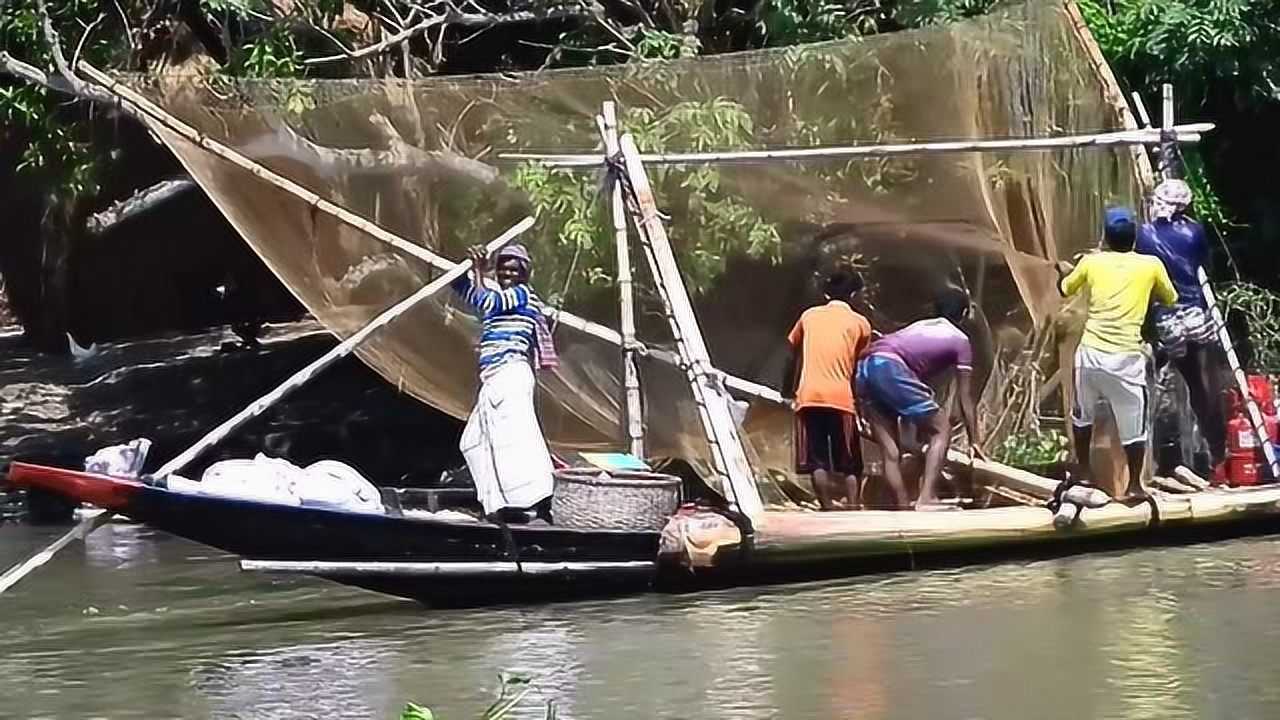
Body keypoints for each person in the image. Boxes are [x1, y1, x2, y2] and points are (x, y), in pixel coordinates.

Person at [1059, 206, 1177, 499]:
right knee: (1134, 427)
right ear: (1135, 237)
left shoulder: (1091, 262)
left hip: (1089, 355)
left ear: (1105, 237)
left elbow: (1065, 288)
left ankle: (1084, 473)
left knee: (1082, 416)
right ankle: (1134, 485)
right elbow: (1171, 298)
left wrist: (1069, 273)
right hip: (1125, 358)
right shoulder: (1151, 265)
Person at [451, 243, 559, 523]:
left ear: (524, 274)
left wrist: (478, 269)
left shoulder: (522, 295)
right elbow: (467, 292)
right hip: (495, 377)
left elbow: (486, 302)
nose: (507, 273)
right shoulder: (501, 294)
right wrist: (461, 273)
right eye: (503, 269)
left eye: (514, 269)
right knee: (473, 441)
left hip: (510, 373)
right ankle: (496, 504)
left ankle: (539, 502)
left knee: (517, 440)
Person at [855, 288, 983, 509]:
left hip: (866, 367)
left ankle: (903, 507)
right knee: (941, 429)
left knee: (891, 450)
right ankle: (926, 499)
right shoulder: (960, 340)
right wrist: (975, 440)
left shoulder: (919, 326)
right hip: (890, 367)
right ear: (963, 314)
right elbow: (965, 397)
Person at [1136, 178, 1226, 475]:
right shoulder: (1194, 231)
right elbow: (1205, 264)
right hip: (1196, 314)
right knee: (1201, 385)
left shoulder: (1144, 234)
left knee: (1154, 381)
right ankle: (1216, 454)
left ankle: (1150, 459)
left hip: (1167, 318)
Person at [783, 268, 873, 510]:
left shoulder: (808, 316)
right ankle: (854, 508)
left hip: (808, 397)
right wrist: (859, 403)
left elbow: (791, 355)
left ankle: (826, 507)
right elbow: (855, 368)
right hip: (841, 398)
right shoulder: (860, 323)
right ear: (854, 295)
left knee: (817, 460)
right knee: (850, 462)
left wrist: (787, 390)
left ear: (825, 294)